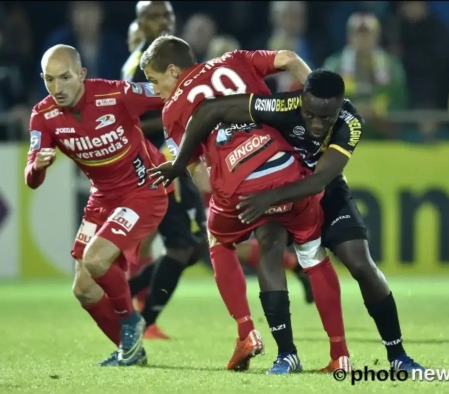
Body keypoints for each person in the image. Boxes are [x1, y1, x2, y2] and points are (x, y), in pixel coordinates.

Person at [153, 68, 425, 373]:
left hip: (323, 190)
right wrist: (180, 163)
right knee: (270, 246)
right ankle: (287, 354)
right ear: (302, 99)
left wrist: (268, 197)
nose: (317, 124)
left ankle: (397, 355)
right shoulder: (282, 105)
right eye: (310, 115)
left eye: (326, 118)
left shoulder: (351, 122)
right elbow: (210, 110)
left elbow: (320, 179)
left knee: (359, 263)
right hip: (281, 187)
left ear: (340, 105)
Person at [143, 35, 351, 374]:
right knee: (313, 255)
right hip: (286, 169)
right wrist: (318, 102)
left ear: (172, 70)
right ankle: (340, 354)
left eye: (154, 80)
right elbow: (288, 58)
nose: (155, 90)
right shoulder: (234, 59)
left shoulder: (172, 111)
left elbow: (202, 178)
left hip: (239, 186)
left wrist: (221, 191)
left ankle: (247, 333)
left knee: (218, 241)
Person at [25, 44, 170, 367]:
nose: (57, 88)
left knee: (96, 258)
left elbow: (171, 93)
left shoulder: (116, 95)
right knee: (84, 290)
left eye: (65, 77)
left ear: (82, 74)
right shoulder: (43, 116)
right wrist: (38, 166)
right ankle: (130, 351)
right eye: (49, 80)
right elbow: (31, 179)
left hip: (143, 191)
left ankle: (131, 320)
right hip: (102, 199)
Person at [121, 1, 210, 340]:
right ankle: (143, 321)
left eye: (167, 15)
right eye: (153, 16)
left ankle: (127, 294)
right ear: (140, 23)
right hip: (158, 162)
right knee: (182, 246)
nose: (162, 21)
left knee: (194, 246)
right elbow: (129, 119)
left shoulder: (168, 57)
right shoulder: (141, 66)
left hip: (176, 160)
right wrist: (183, 114)